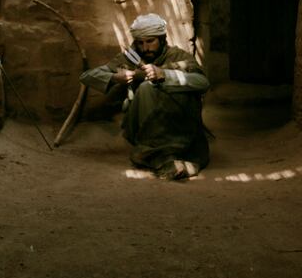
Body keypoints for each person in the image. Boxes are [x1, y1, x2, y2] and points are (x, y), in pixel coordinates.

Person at [80, 13, 210, 180]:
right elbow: (86, 76)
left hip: (176, 121)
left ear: (162, 39)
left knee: (175, 93)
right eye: (140, 43)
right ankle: (165, 157)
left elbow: (202, 82)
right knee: (147, 88)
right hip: (142, 122)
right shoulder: (130, 57)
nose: (145, 48)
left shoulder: (178, 56)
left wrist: (166, 74)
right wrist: (114, 78)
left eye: (150, 41)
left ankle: (167, 158)